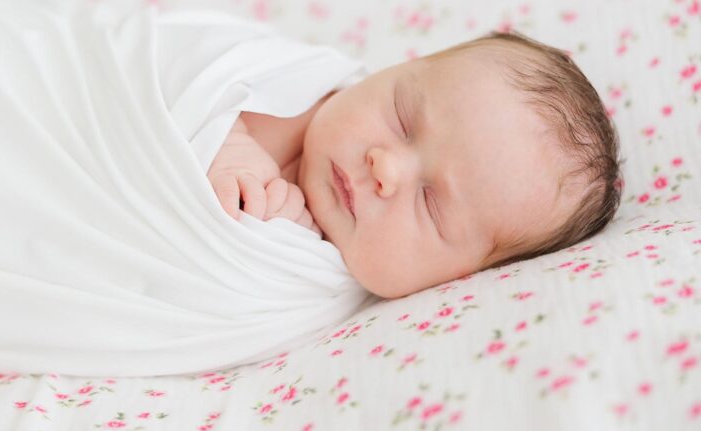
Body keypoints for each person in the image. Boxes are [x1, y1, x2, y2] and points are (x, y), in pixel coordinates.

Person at [207, 30, 623, 299]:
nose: (386, 169)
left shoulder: (323, 294)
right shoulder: (283, 90)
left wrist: (277, 248)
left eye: (430, 204)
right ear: (395, 70)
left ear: (458, 277)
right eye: (402, 118)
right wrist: (226, 142)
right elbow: (185, 76)